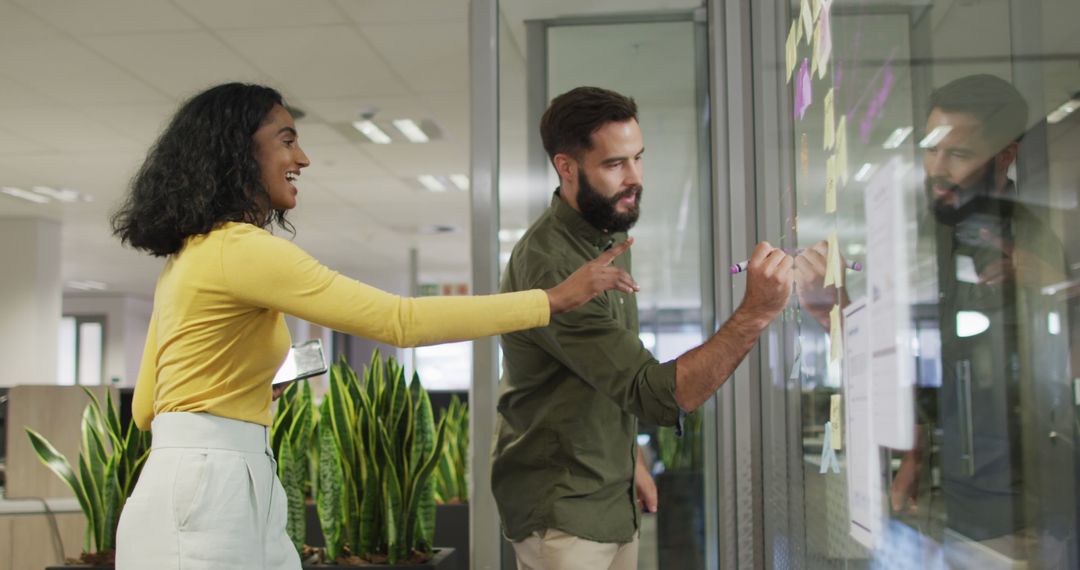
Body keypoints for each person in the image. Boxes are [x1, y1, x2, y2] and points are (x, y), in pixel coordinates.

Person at [110, 82, 639, 570]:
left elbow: (144, 409)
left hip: (211, 480)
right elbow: (398, 321)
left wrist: (243, 388)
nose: (302, 158)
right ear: (238, 152)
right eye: (287, 141)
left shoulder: (190, 255)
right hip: (211, 491)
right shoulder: (241, 249)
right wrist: (550, 300)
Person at [492, 86, 794, 569]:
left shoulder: (606, 232)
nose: (634, 178)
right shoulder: (552, 266)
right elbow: (655, 395)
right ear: (566, 167)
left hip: (610, 494)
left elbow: (604, 373)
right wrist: (755, 313)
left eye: (639, 158)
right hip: (564, 509)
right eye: (615, 164)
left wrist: (628, 463)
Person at [797, 75, 1069, 558]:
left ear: (1005, 157)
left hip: (1018, 511)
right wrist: (912, 460)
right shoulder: (929, 233)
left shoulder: (1029, 241)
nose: (937, 168)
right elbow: (918, 362)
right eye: (931, 149)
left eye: (959, 155)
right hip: (948, 506)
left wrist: (1046, 288)